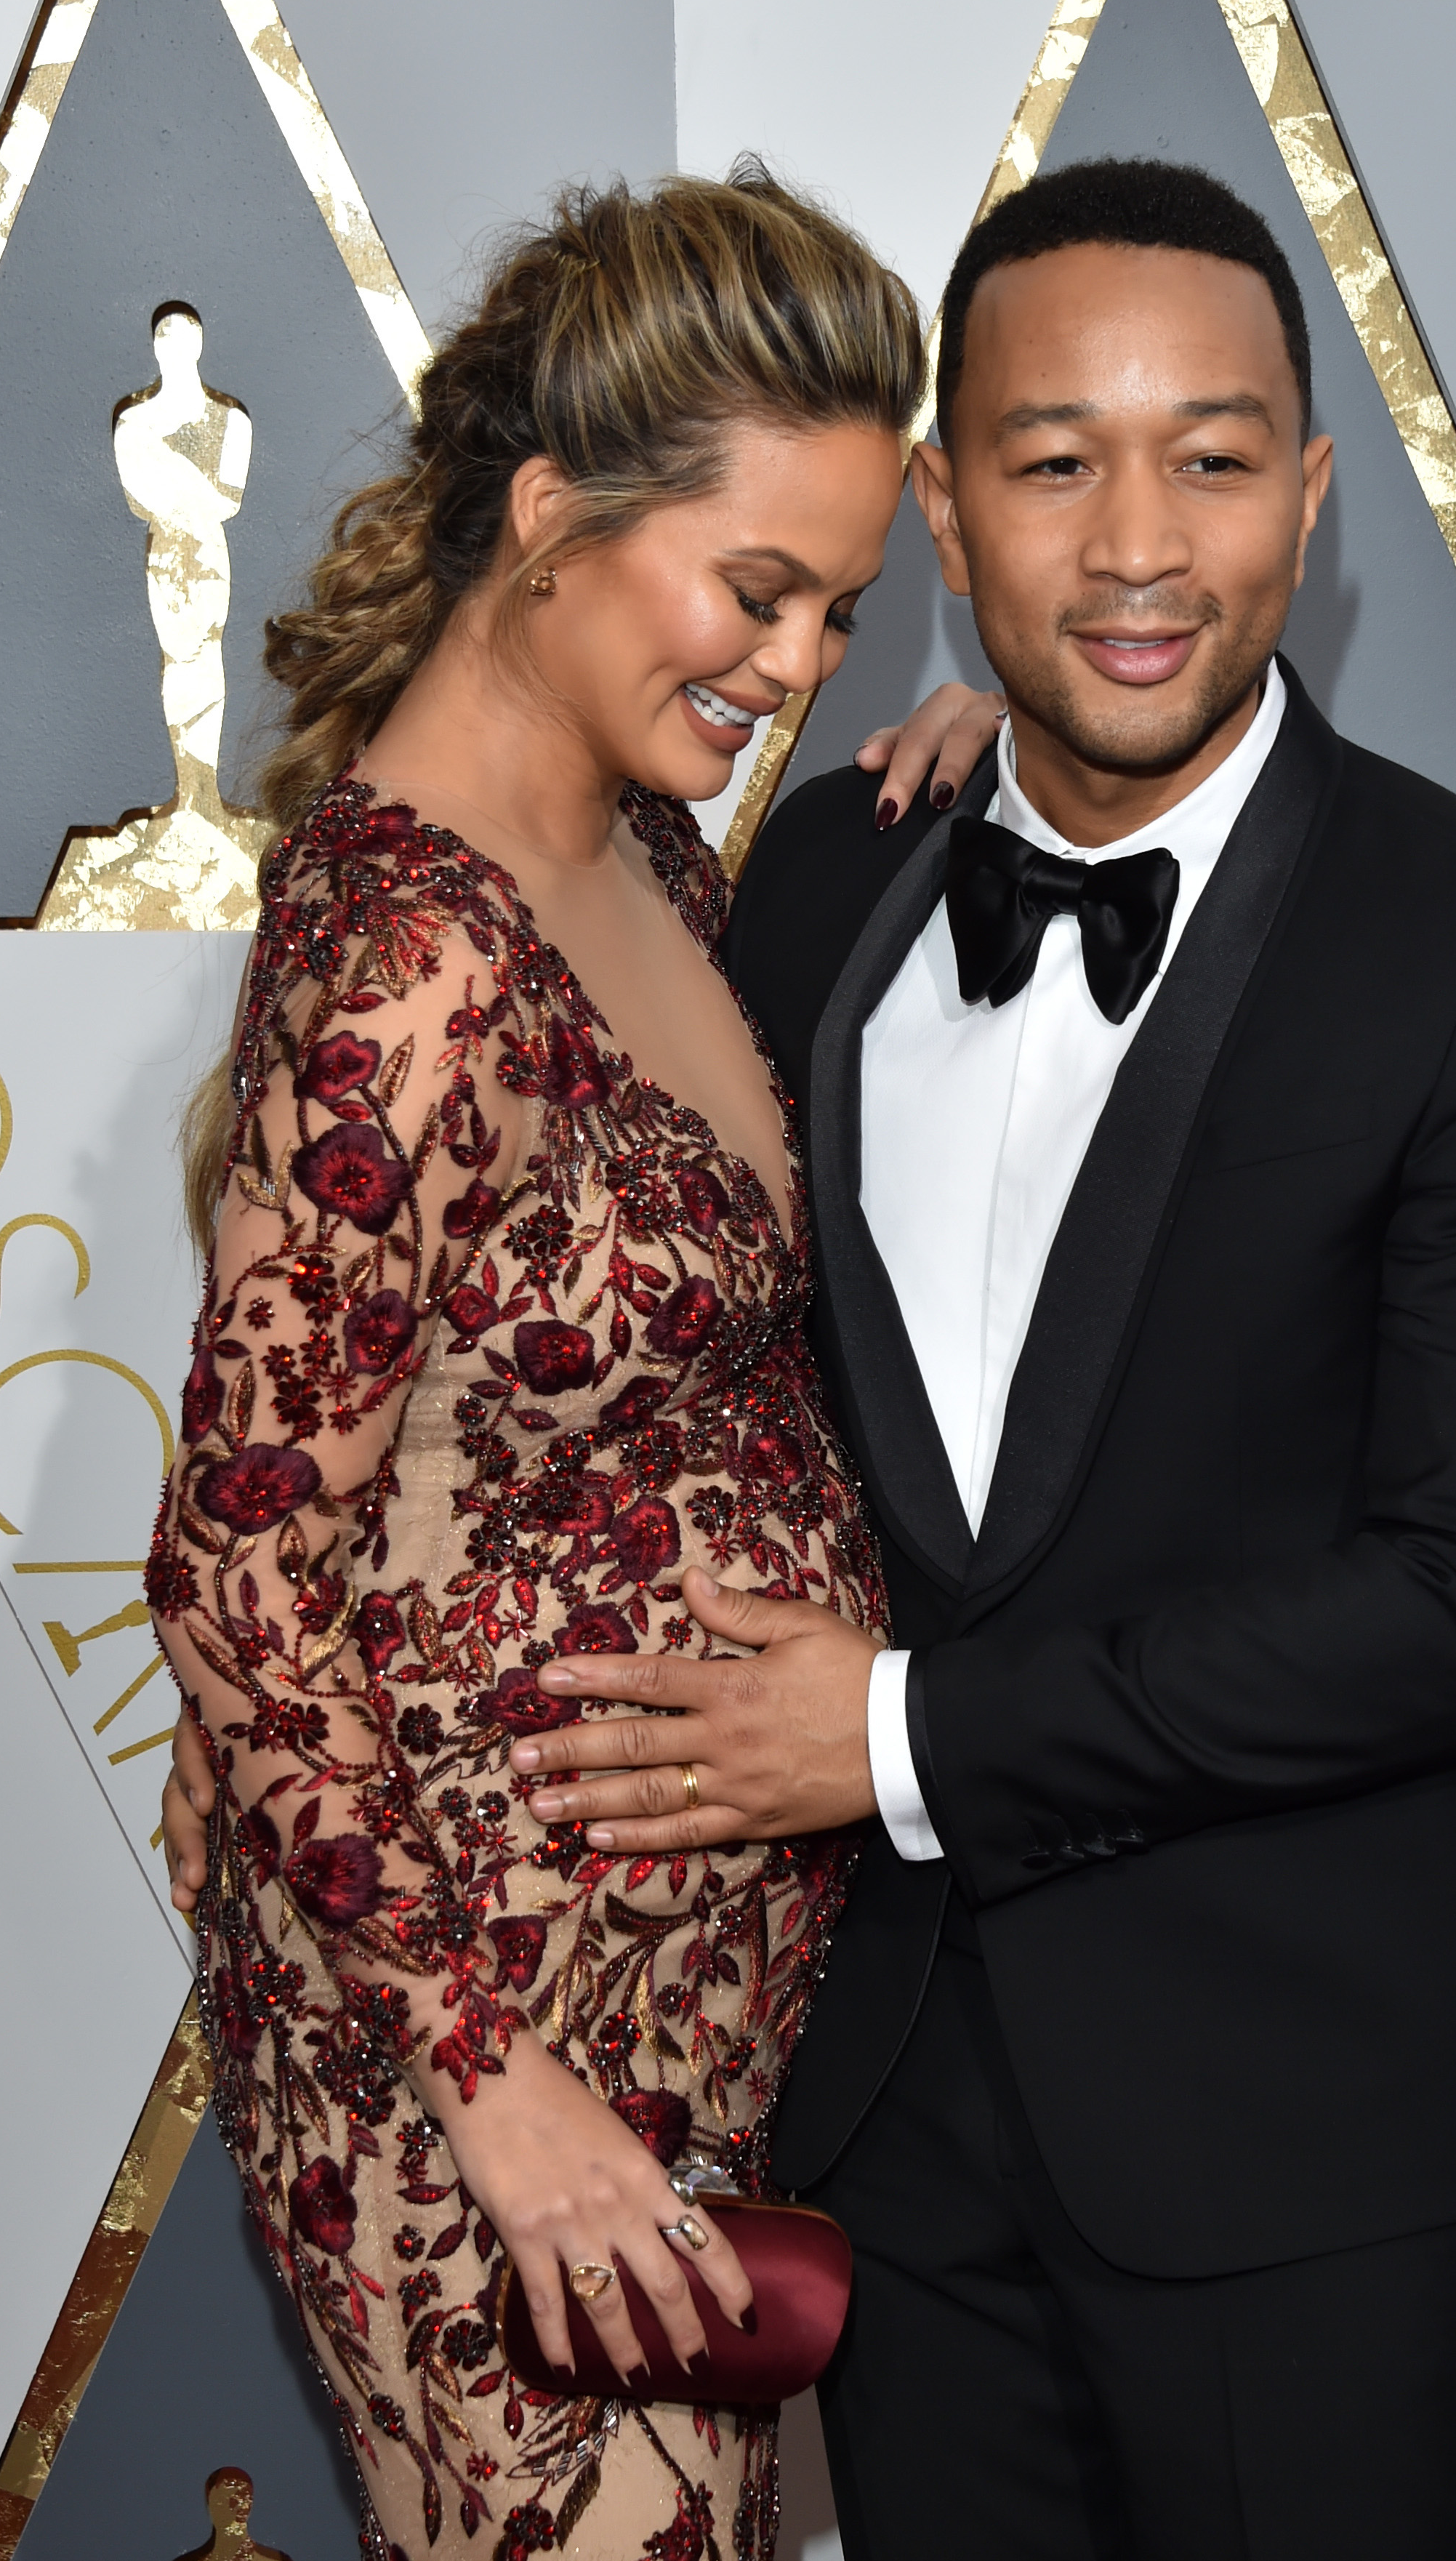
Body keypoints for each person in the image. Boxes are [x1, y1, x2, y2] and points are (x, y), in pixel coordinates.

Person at [393, 160, 1456, 2555]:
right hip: (890, 2139)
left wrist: (889, 1734)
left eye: (1208, 455)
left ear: (1309, 487)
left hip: (1320, 2159)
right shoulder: (825, 882)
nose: (1137, 541)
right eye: (1052, 459)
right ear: (945, 518)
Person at [149, 164, 997, 2561]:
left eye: (842, 605)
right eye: (758, 587)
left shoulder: (645, 853)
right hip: (483, 2089)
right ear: (548, 510)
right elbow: (231, 1575)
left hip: (681, 2042)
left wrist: (963, 764)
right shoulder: (403, 953)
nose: (800, 657)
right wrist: (497, 2085)